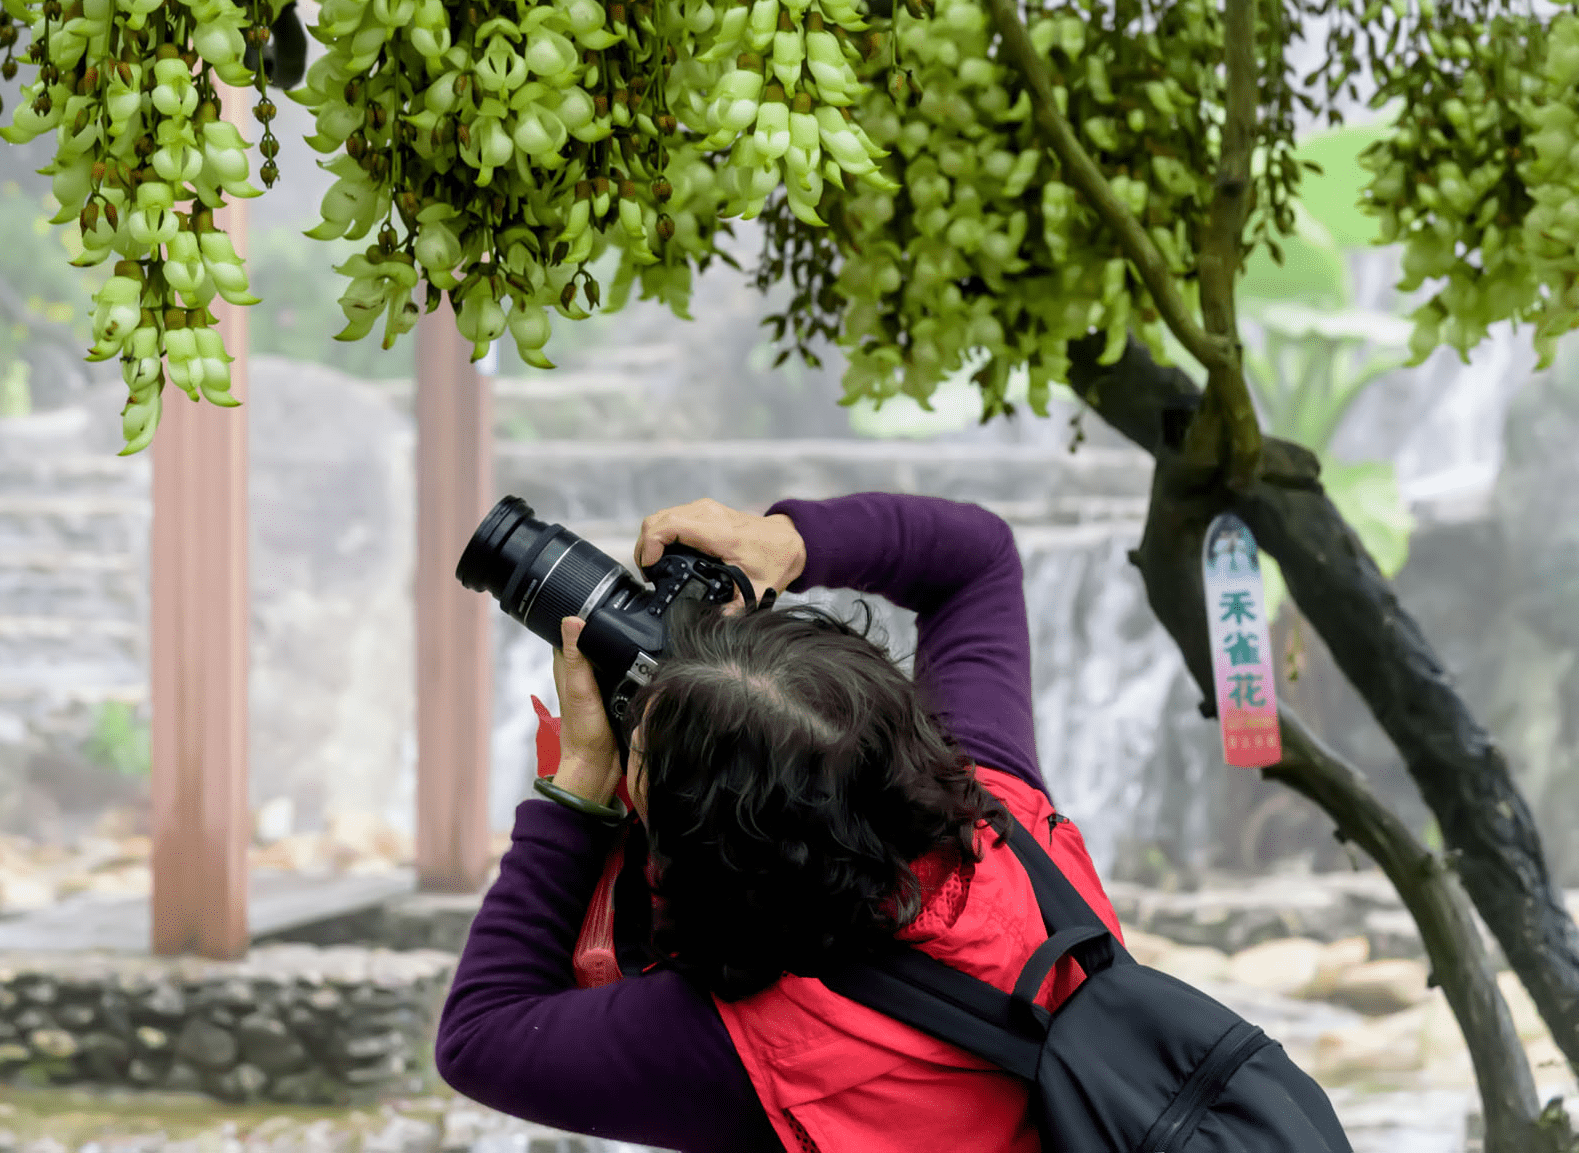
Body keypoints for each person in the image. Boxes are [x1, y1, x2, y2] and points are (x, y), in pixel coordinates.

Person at [435, 492, 1127, 1152]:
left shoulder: (755, 1048)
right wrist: (784, 542)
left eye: (641, 751)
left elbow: (481, 1032)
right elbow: (977, 558)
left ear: (699, 857)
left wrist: (581, 780)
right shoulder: (1005, 817)